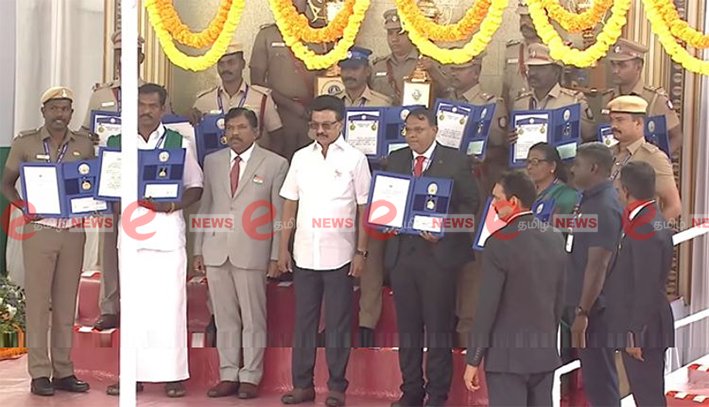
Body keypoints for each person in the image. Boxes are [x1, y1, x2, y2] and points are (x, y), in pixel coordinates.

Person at [105, 84, 203, 397]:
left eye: (152, 106)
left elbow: (195, 186)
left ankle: (172, 375)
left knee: (170, 308)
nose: (145, 111)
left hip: (167, 235)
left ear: (163, 109)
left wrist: (173, 205)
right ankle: (131, 374)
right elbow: (108, 188)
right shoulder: (116, 142)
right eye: (140, 105)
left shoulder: (179, 141)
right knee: (133, 307)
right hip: (132, 235)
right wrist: (116, 201)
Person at [278, 95, 371, 407]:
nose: (320, 130)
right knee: (303, 323)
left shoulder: (355, 159)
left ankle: (336, 387)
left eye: (327, 124)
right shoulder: (301, 158)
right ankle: (302, 385)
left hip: (340, 255)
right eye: (315, 124)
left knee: (338, 324)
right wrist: (282, 248)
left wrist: (361, 252)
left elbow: (365, 209)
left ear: (341, 124)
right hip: (305, 253)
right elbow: (289, 203)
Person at [1, 87, 94, 396]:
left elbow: (91, 183)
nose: (60, 114)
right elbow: (7, 183)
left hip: (73, 232)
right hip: (39, 230)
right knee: (39, 303)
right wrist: (22, 206)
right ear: (44, 111)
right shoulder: (25, 143)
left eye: (65, 108)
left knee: (67, 305)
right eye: (54, 108)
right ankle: (40, 372)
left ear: (71, 112)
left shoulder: (84, 144)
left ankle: (64, 370)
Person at [385, 107, 480, 406]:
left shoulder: (455, 160)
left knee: (438, 330)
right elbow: (387, 198)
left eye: (419, 130)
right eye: (408, 130)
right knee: (408, 330)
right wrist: (386, 218)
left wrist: (444, 228)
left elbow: (471, 205)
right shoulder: (396, 158)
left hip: (438, 257)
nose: (412, 136)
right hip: (403, 255)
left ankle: (437, 395)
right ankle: (411, 391)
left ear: (435, 130)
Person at [193, 107, 288, 399]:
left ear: (256, 131)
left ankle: (251, 375)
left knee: (253, 317)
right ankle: (228, 373)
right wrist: (198, 249)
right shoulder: (212, 161)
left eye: (241, 127)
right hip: (216, 250)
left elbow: (279, 214)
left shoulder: (275, 163)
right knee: (224, 317)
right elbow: (206, 205)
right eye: (230, 128)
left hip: (253, 250)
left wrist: (276, 254)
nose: (234, 133)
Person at [87, 30, 171, 332]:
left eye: (131, 54)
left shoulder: (154, 92)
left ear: (142, 57)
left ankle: (142, 304)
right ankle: (110, 307)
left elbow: (168, 130)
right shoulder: (100, 94)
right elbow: (87, 134)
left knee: (148, 242)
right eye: (120, 54)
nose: (124, 59)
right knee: (110, 244)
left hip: (149, 179)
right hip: (113, 178)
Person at [464, 170, 566, 406]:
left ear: (513, 202)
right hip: (544, 354)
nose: (493, 205)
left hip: (506, 359)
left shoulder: (497, 243)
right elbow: (559, 299)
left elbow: (488, 306)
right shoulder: (555, 238)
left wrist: (473, 359)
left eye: (497, 198)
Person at [445, 51, 509, 346]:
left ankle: (468, 328)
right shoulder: (445, 102)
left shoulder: (491, 103)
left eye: (461, 68)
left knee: (473, 257)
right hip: (446, 189)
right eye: (452, 68)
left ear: (477, 70)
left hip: (477, 186)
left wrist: (481, 156)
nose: (454, 73)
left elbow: (502, 148)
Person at [605, 161, 674, 406]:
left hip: (645, 331)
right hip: (643, 327)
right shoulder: (646, 220)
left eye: (618, 188)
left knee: (648, 397)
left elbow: (646, 285)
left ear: (626, 190)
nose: (617, 193)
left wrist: (635, 333)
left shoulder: (647, 228)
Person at [567, 143, 624, 407]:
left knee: (601, 382)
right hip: (586, 306)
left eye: (577, 164)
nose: (572, 169)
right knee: (594, 379)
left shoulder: (603, 206)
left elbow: (598, 265)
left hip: (596, 312)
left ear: (593, 168)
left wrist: (583, 312)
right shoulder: (588, 200)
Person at [250, 0, 328, 160]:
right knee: (282, 164)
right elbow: (257, 82)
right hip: (279, 115)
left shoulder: (322, 33)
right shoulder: (267, 35)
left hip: (314, 115)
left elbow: (332, 76)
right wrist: (291, 105)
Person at [192, 42, 284, 155]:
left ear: (243, 64)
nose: (226, 68)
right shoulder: (203, 101)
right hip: (215, 162)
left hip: (252, 163)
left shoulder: (261, 98)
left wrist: (267, 163)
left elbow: (277, 137)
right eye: (221, 64)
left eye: (231, 62)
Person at [606, 95, 681, 221]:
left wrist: (649, 230)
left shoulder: (654, 157)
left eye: (620, 120)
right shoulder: (608, 153)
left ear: (638, 123)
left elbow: (674, 206)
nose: (613, 125)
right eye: (611, 120)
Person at [602, 38, 682, 154]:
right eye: (613, 65)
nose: (615, 70)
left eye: (622, 65)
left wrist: (657, 159)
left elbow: (676, 136)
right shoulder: (608, 98)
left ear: (638, 67)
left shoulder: (655, 99)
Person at [511, 43, 595, 143]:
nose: (533, 73)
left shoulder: (574, 101)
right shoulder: (520, 103)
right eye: (531, 67)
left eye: (540, 68)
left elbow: (590, 138)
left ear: (556, 72)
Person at [371, 9, 449, 106]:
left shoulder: (427, 63)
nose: (394, 39)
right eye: (390, 33)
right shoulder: (379, 66)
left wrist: (433, 71)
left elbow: (447, 91)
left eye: (400, 33)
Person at [502, 1, 542, 112]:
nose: (524, 22)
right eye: (522, 17)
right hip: (515, 112)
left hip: (546, 113)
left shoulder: (556, 50)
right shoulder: (512, 50)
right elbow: (505, 89)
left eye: (530, 17)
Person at [527, 142, 578, 216]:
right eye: (528, 162)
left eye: (535, 162)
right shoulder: (526, 195)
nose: (529, 167)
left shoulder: (567, 195)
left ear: (552, 166)